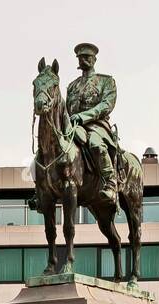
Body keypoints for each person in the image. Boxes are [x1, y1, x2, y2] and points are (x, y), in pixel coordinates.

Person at [65, 42, 119, 206]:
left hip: (97, 126)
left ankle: (111, 182)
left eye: (87, 57)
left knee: (96, 144)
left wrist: (83, 116)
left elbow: (106, 105)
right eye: (81, 57)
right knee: (52, 147)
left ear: (94, 59)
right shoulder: (72, 86)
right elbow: (67, 108)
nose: (83, 60)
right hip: (73, 127)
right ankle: (43, 189)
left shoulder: (106, 81)